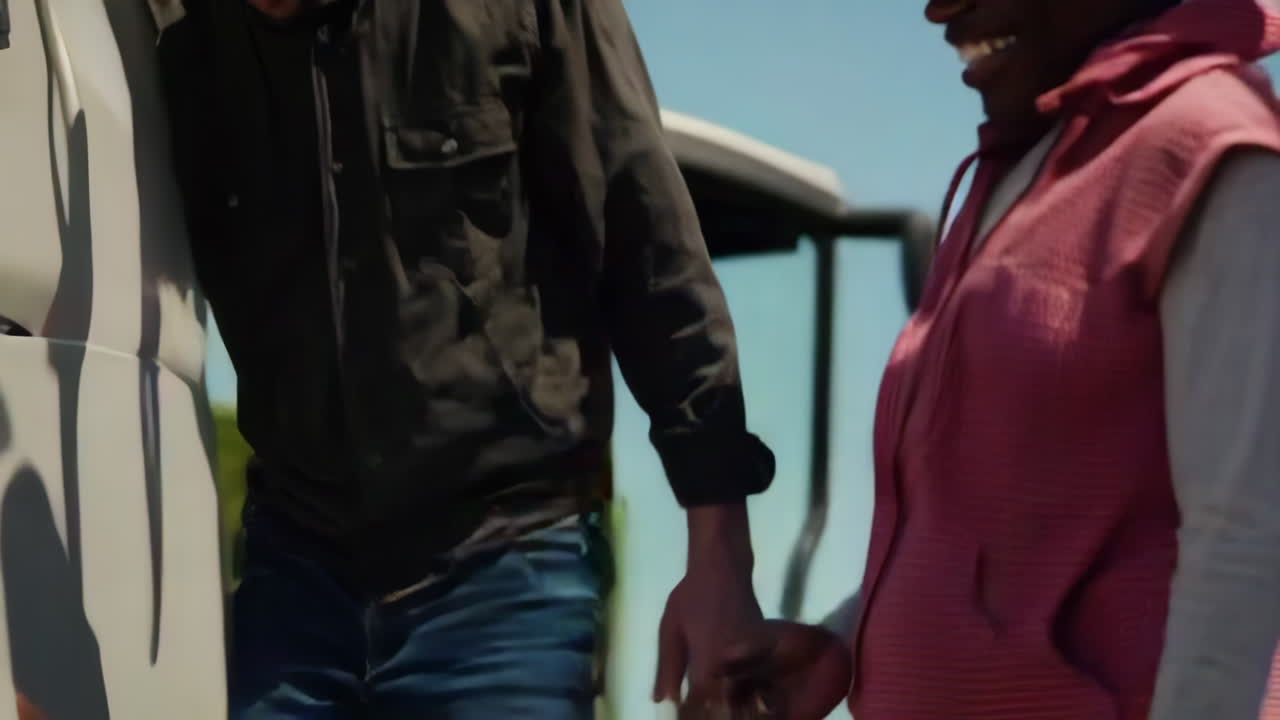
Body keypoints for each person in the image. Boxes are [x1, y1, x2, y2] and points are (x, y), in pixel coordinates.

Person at [153, 0, 780, 717]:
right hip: (295, 574)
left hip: (506, 566)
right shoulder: (182, 38)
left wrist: (721, 559)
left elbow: (648, 248)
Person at [731, 0, 1280, 718]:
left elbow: (1246, 545)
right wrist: (847, 640)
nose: (937, 9)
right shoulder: (1024, 170)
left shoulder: (1217, 150)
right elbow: (999, 544)